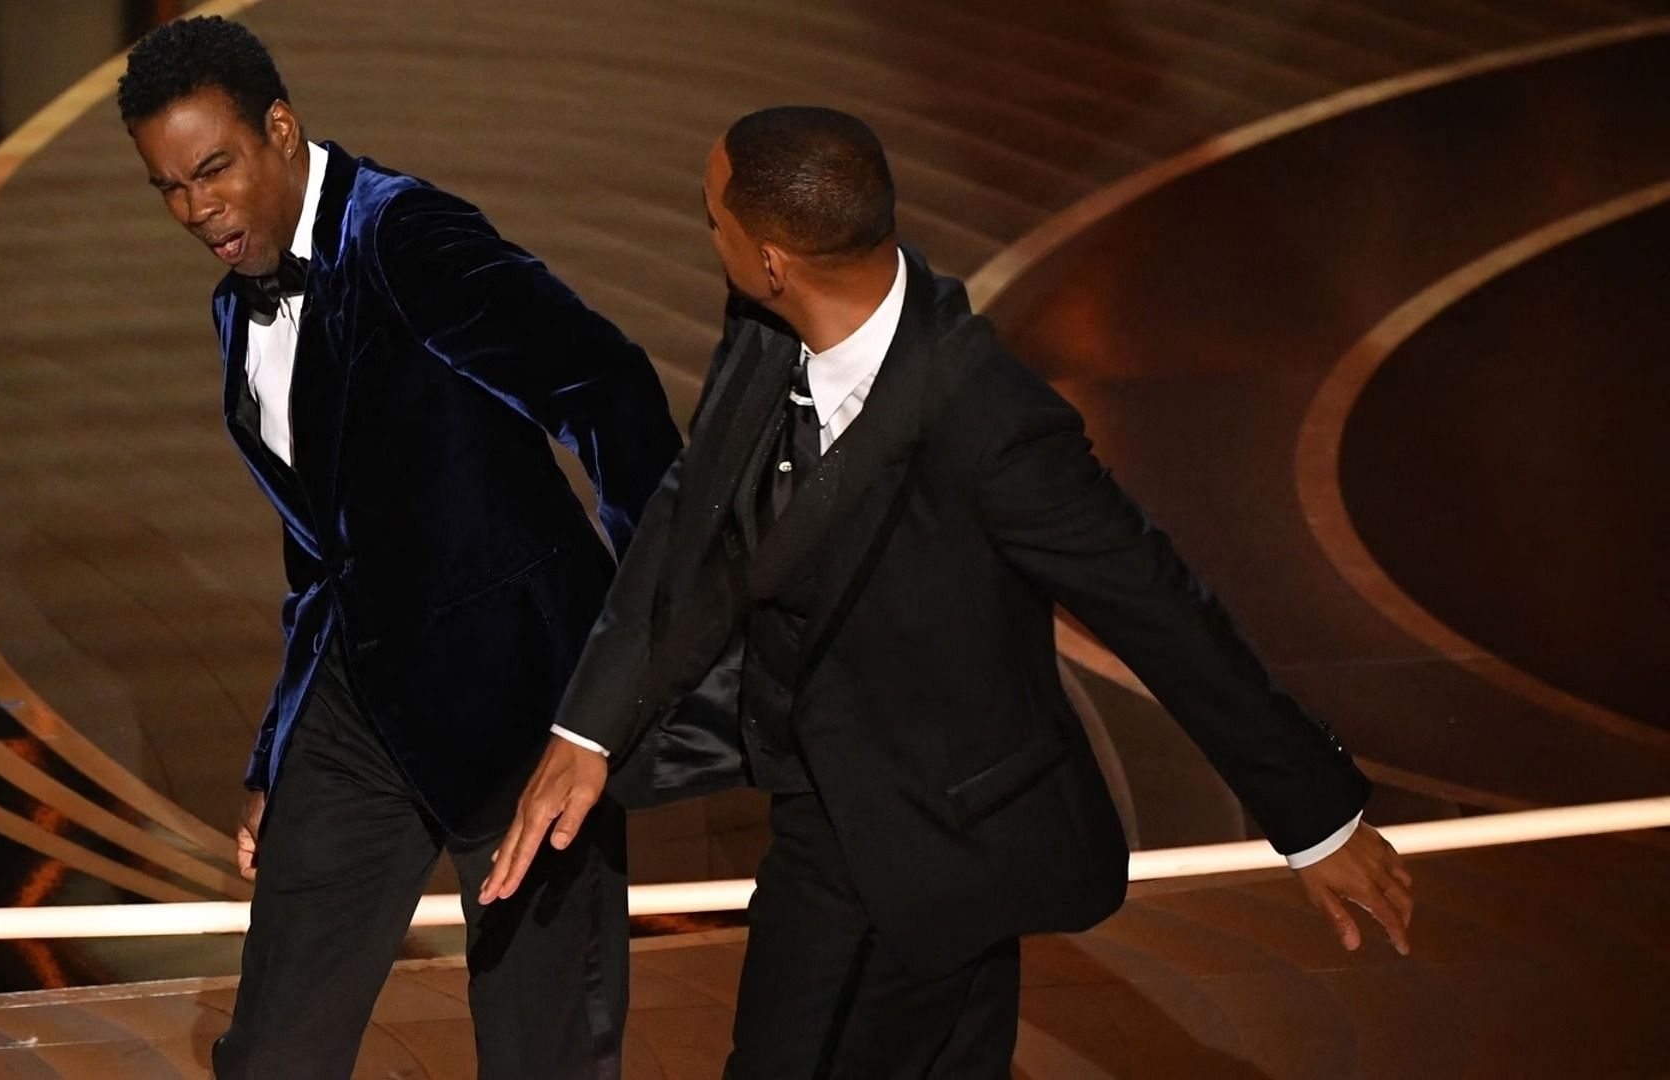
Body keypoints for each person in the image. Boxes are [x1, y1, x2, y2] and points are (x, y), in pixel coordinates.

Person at [484, 106, 1414, 1077]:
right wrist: (589, 729)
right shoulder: (770, 323)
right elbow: (699, 508)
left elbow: (1157, 604)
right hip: (825, 809)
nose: (705, 231)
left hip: (945, 832)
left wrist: (1316, 819)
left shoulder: (989, 422)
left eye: (712, 218)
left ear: (771, 260)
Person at [118, 16, 681, 1078]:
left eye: (213, 170)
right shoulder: (240, 304)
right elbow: (320, 547)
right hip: (360, 707)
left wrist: (628, 664)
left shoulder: (405, 238)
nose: (196, 210)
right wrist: (276, 751)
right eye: (169, 188)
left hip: (525, 720)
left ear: (280, 128)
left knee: (544, 1056)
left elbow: (608, 390)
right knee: (274, 1050)